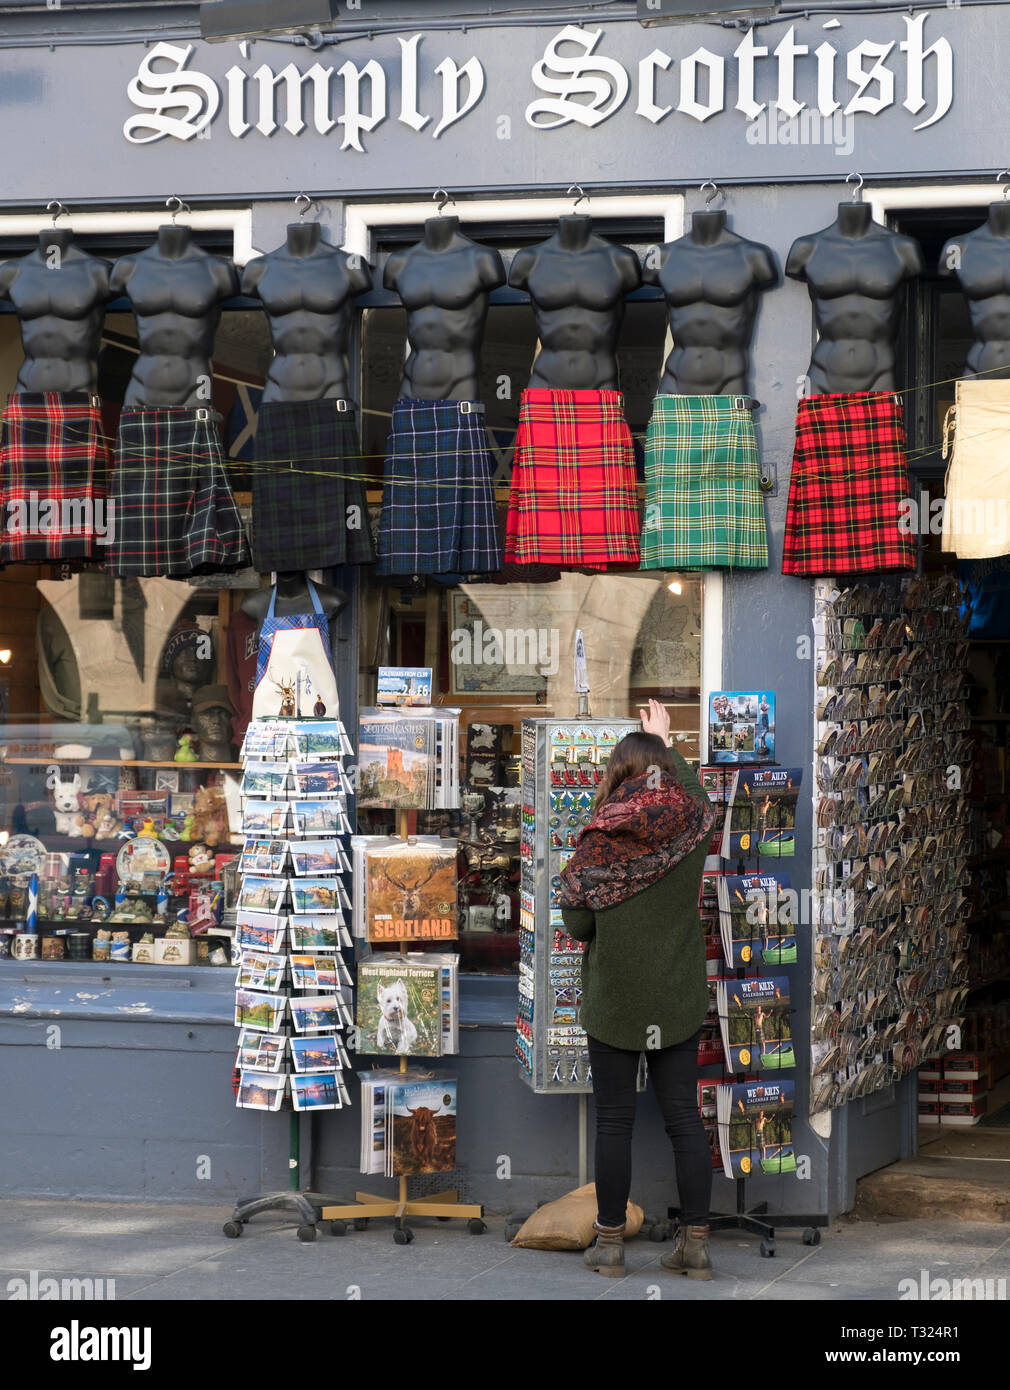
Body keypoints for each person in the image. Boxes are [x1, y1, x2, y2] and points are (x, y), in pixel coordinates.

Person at [559, 698, 717, 1281]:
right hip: (676, 996)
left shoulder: (599, 841)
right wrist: (666, 742)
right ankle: (695, 1245)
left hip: (615, 999)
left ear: (616, 776)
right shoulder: (692, 827)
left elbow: (576, 923)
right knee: (683, 1117)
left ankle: (609, 1247)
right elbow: (700, 799)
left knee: (614, 1122)